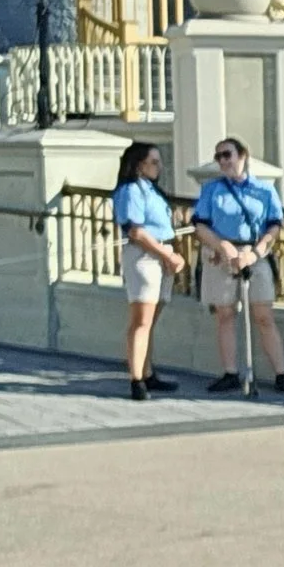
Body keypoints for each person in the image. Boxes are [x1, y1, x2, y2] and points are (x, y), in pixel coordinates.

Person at [190, 137, 284, 395]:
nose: (223, 161)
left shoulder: (264, 190)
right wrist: (223, 247)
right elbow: (200, 224)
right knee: (225, 314)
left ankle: (281, 374)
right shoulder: (211, 190)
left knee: (263, 315)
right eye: (219, 157)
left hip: (253, 253)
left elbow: (274, 226)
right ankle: (230, 372)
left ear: (242, 156)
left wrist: (255, 253)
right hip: (222, 254)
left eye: (227, 155)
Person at [110, 139, 183, 402]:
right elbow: (136, 230)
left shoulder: (152, 191)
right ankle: (136, 378)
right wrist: (166, 254)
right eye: (153, 162)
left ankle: (148, 370)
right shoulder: (131, 190)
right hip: (144, 255)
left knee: (151, 318)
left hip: (161, 253)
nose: (158, 166)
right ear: (139, 165)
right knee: (141, 319)